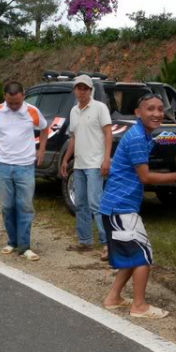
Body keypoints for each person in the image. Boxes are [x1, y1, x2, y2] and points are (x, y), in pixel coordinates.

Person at [100, 92, 176, 319]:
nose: (156, 113)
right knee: (143, 255)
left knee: (133, 254)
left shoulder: (143, 135)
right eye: (150, 109)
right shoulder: (136, 137)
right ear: (138, 112)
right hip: (120, 207)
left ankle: (113, 298)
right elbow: (145, 177)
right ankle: (139, 306)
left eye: (159, 109)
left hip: (120, 206)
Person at [0, 82, 48, 261]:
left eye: (17, 102)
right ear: (5, 97)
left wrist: (41, 149)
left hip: (25, 167)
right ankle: (12, 241)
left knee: (25, 207)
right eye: (10, 103)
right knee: (7, 207)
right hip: (2, 167)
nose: (13, 106)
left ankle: (25, 246)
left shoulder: (32, 111)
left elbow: (45, 128)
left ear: (23, 96)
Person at [60, 74, 112, 259]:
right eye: (78, 88)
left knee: (95, 203)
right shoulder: (74, 111)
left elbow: (108, 135)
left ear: (91, 91)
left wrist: (106, 159)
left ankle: (107, 244)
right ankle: (85, 241)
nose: (81, 92)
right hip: (79, 164)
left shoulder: (100, 108)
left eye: (85, 88)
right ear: (74, 90)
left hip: (95, 164)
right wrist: (66, 159)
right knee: (80, 203)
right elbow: (73, 138)